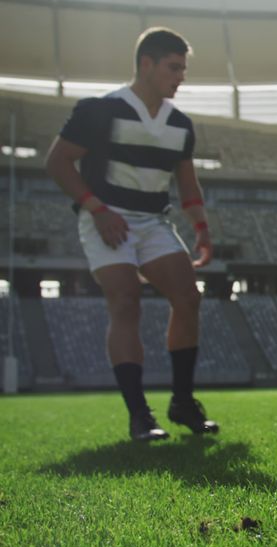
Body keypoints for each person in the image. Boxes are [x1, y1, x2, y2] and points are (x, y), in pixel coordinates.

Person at [44, 28, 219, 441]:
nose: (181, 77)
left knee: (188, 298)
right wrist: (98, 209)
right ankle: (140, 415)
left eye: (183, 69)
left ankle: (182, 402)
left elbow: (187, 185)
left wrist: (202, 230)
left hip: (153, 222)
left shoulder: (180, 124)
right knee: (125, 302)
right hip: (107, 219)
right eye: (174, 67)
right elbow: (58, 162)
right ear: (147, 64)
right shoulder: (99, 110)